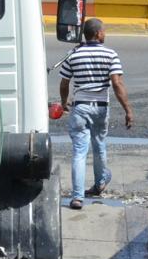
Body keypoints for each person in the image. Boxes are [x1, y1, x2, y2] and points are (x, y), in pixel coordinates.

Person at [55, 17, 134, 210]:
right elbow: (117, 84)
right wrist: (128, 110)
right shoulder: (110, 55)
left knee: (79, 152)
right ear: (98, 34)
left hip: (80, 107)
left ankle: (77, 197)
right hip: (100, 107)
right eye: (104, 31)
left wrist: (65, 103)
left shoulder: (74, 55)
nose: (105, 33)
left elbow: (65, 83)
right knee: (99, 146)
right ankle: (99, 183)